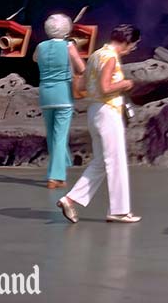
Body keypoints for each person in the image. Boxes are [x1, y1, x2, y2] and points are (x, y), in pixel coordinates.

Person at [57, 24, 141, 224]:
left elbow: (84, 85)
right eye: (134, 44)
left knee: (102, 161)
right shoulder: (111, 57)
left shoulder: (96, 55)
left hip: (94, 111)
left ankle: (70, 199)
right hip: (108, 111)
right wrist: (125, 84)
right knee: (116, 161)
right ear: (127, 42)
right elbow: (105, 87)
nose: (133, 48)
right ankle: (119, 211)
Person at [34, 14, 86, 189]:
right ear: (66, 29)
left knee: (52, 134)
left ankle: (62, 166)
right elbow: (81, 68)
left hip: (45, 94)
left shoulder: (41, 46)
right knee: (60, 135)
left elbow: (35, 59)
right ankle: (55, 176)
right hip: (63, 94)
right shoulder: (68, 46)